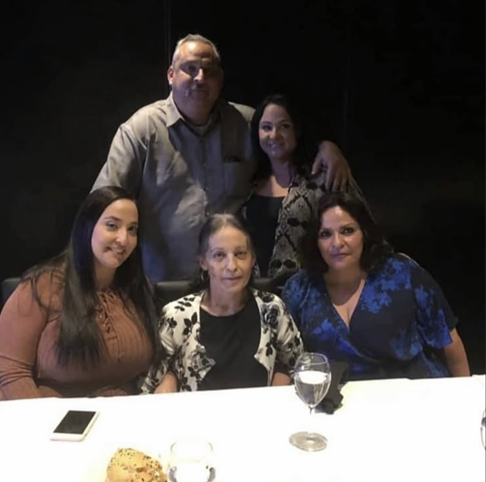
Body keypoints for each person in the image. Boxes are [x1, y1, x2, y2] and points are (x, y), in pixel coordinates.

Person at [92, 34, 353, 281]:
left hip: (233, 284)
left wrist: (326, 147)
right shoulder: (141, 130)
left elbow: (285, 136)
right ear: (171, 75)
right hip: (160, 286)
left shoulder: (246, 123)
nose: (200, 78)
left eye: (209, 71)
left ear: (220, 79)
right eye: (190, 69)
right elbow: (100, 208)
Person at [0, 188, 161, 400]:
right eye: (112, 226)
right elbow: (12, 372)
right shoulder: (42, 285)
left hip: (118, 412)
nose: (123, 239)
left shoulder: (138, 288)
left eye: (132, 229)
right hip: (44, 410)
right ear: (87, 227)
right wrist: (43, 417)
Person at [281, 193, 470, 381]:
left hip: (414, 391)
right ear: (315, 241)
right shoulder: (299, 288)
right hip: (335, 396)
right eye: (325, 234)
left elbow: (449, 343)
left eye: (347, 231)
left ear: (364, 233)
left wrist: (466, 393)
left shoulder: (403, 273)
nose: (337, 243)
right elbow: (285, 360)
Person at [142, 214, 304, 393]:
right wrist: (169, 378)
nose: (232, 266)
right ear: (203, 262)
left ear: (252, 259)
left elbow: (299, 366)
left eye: (240, 254)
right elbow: (148, 384)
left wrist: (278, 386)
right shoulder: (177, 316)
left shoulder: (272, 308)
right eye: (219, 255)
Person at [242, 92, 370, 284]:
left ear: (297, 130)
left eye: (284, 126)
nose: (274, 135)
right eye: (266, 127)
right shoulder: (249, 183)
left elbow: (366, 228)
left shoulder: (323, 178)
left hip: (313, 291)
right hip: (256, 293)